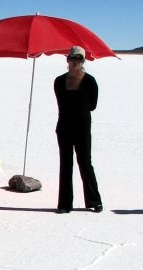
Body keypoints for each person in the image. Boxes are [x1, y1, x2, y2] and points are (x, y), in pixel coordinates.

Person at [54, 46, 103, 214]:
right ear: (67, 60)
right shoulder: (59, 81)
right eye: (72, 59)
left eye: (78, 59)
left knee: (85, 163)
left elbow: (93, 105)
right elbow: (61, 102)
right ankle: (64, 204)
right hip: (64, 127)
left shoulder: (90, 81)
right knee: (65, 164)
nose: (75, 62)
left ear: (83, 61)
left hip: (82, 127)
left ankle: (94, 201)